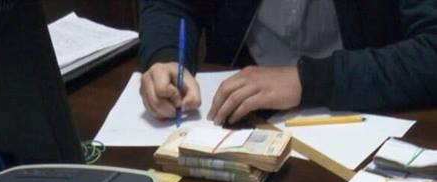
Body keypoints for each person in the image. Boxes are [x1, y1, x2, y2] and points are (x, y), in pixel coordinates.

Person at [138, 0, 437, 123]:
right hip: (239, 116)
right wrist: (167, 57)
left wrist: (308, 80)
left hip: (364, 112)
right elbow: (172, 5)